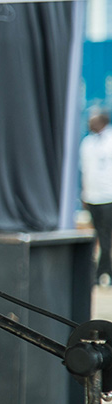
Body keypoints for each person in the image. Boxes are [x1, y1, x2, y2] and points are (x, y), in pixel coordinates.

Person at [80, 108, 112, 287]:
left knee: (105, 237)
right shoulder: (87, 143)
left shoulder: (110, 141)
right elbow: (85, 171)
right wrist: (85, 194)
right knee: (96, 235)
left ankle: (104, 272)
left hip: (108, 197)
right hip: (92, 197)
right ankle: (99, 271)